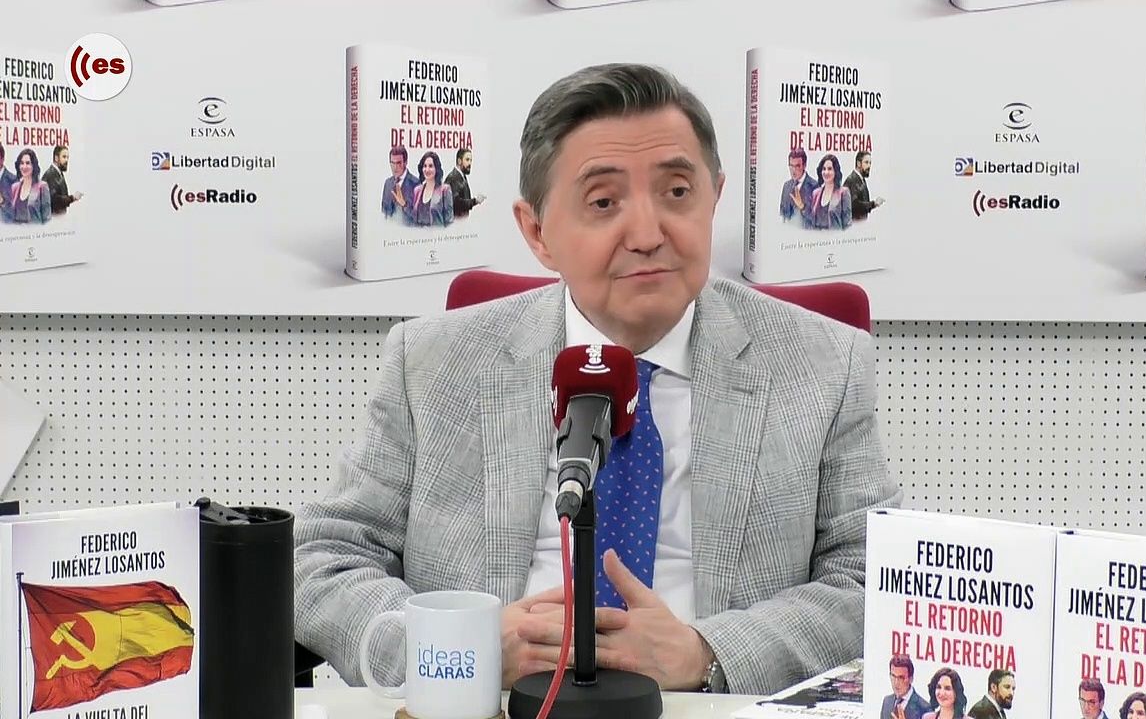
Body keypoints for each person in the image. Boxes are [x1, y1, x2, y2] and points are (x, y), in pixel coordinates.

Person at [293, 62, 899, 696]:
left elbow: (872, 576)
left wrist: (709, 653)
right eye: (604, 203)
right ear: (537, 232)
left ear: (716, 198)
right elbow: (323, 559)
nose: (647, 235)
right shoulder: (433, 361)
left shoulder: (824, 362)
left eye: (677, 193)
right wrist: (462, 650)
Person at [43, 145, 83, 216]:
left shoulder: (58, 173)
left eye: (67, 157)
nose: (66, 160)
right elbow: (54, 200)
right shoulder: (51, 174)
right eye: (64, 157)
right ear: (56, 158)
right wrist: (72, 198)